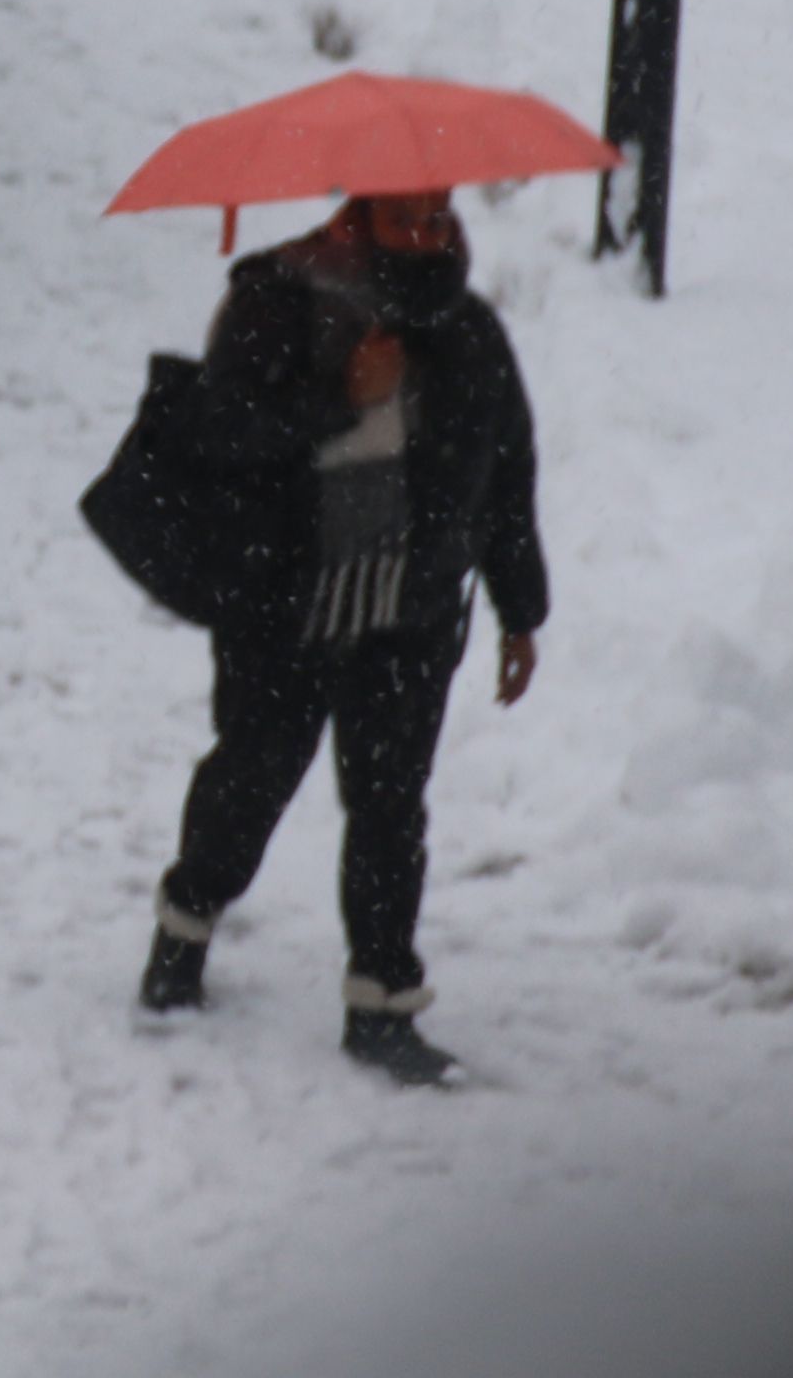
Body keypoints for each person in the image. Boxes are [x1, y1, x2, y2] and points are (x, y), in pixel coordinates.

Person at [135, 186, 547, 1086]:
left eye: (440, 218)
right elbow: (218, 438)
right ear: (359, 217)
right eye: (408, 219)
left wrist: (522, 608)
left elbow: (507, 471)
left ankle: (382, 1005)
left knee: (391, 806)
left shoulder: (467, 333)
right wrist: (337, 398)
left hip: (413, 611)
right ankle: (185, 926)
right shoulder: (273, 305)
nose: (429, 236)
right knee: (253, 774)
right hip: (286, 610)